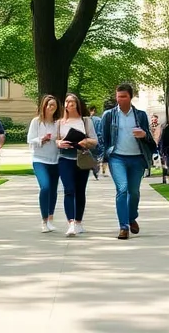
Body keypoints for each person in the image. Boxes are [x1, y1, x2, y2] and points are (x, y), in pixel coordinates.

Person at [100, 84, 156, 239]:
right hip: (117, 158)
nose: (120, 99)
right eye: (118, 96)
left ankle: (131, 217)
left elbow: (150, 140)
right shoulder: (109, 116)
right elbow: (102, 137)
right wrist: (103, 157)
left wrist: (144, 135)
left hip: (137, 158)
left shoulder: (141, 115)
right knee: (122, 189)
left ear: (131, 97)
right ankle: (123, 226)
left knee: (134, 192)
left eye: (123, 96)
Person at [56, 93, 98, 237]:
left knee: (80, 190)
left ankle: (79, 222)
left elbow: (95, 141)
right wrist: (59, 143)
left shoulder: (86, 121)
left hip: (81, 158)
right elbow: (55, 141)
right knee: (69, 190)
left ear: (78, 104)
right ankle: (71, 223)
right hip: (65, 158)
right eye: (67, 101)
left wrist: (85, 142)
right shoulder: (59, 122)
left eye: (73, 101)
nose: (70, 104)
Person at [27, 95, 62, 232]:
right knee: (45, 187)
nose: (51, 107)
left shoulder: (58, 123)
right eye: (49, 105)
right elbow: (30, 140)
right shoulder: (36, 122)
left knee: (53, 190)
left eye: (53, 105)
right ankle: (44, 220)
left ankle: (50, 218)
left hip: (55, 160)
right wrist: (42, 139)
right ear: (44, 106)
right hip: (39, 159)